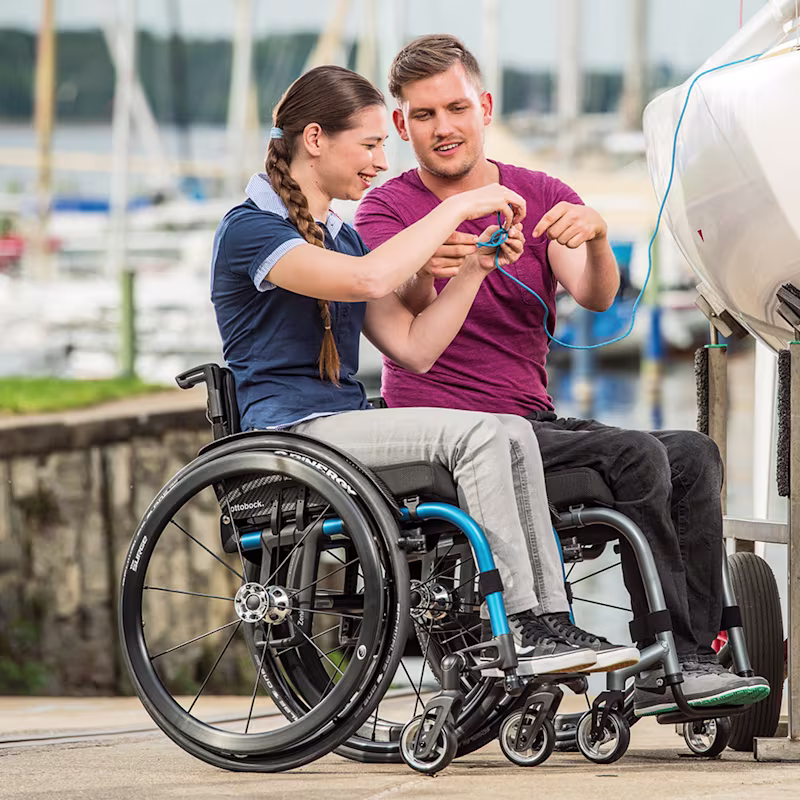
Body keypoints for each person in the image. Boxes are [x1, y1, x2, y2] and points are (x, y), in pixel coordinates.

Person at [354, 35, 769, 715]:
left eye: (456, 108)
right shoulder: (388, 212)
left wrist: (597, 237)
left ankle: (693, 658)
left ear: (484, 106)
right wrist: (440, 264)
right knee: (634, 455)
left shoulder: (539, 192)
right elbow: (399, 331)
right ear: (401, 126)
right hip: (454, 436)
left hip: (535, 423)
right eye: (424, 115)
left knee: (693, 455)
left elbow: (597, 295)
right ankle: (669, 655)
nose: (444, 127)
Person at [210, 64, 627, 676]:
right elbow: (372, 279)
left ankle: (545, 621)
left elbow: (414, 348)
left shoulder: (342, 240)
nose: (383, 160)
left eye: (384, 144)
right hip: (290, 432)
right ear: (316, 139)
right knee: (484, 433)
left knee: (505, 427)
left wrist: (473, 271)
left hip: (342, 425)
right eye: (371, 144)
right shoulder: (252, 231)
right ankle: (523, 621)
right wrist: (461, 207)